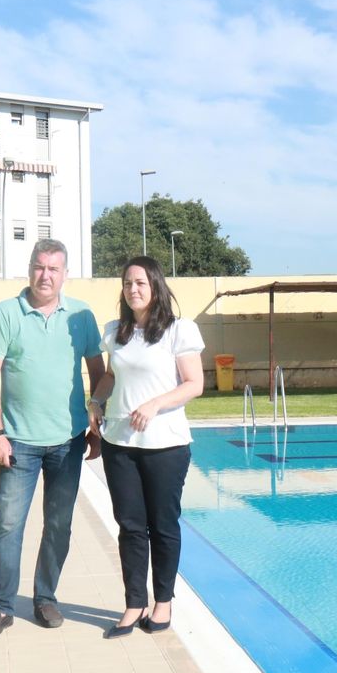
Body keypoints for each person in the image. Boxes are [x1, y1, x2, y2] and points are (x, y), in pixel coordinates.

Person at [0, 239, 104, 637]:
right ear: (29, 268)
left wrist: (97, 428)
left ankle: (45, 598)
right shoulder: (6, 313)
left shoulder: (81, 315)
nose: (45, 275)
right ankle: (0, 606)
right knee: (9, 524)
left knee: (59, 525)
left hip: (68, 441)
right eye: (39, 266)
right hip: (19, 442)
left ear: (65, 274)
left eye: (54, 268)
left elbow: (98, 375)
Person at [89, 257, 204, 638]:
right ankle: (134, 603)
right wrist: (95, 402)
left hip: (166, 446)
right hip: (120, 444)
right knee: (131, 527)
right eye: (127, 283)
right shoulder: (116, 331)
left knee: (163, 526)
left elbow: (194, 384)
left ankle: (163, 601)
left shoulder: (177, 331)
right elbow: (109, 375)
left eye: (140, 282)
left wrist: (155, 403)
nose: (133, 289)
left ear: (155, 285)